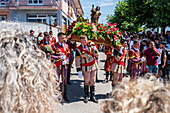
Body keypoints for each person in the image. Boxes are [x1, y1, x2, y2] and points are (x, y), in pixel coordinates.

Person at [75, 35, 99, 103]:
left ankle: (92, 96)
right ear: (81, 41)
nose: (86, 41)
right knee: (87, 81)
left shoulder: (91, 46)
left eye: (86, 39)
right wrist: (78, 70)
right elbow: (77, 59)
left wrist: (95, 49)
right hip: (85, 67)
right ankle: (86, 96)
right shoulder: (78, 49)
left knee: (93, 80)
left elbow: (97, 54)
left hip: (93, 65)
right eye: (84, 40)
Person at [51, 32, 70, 102]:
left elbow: (68, 55)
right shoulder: (54, 46)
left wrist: (67, 60)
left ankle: (65, 95)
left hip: (64, 65)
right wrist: (59, 57)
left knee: (64, 80)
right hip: (57, 66)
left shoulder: (66, 46)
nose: (64, 39)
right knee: (57, 80)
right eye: (62, 38)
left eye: (65, 38)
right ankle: (57, 95)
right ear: (58, 38)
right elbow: (51, 56)